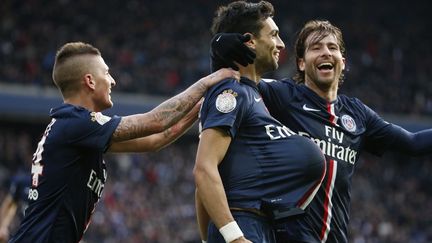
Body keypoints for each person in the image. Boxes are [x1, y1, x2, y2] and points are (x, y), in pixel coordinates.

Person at [211, 20, 432, 242]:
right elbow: (238, 78)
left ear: (343, 62)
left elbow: (414, 143)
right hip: (289, 235)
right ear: (301, 63)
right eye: (316, 48)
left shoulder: (358, 114)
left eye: (332, 47)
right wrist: (220, 45)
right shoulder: (283, 96)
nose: (325, 53)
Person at [8, 42, 239, 243]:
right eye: (106, 73)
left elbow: (156, 140)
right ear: (89, 81)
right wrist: (208, 82)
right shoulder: (75, 123)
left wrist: (201, 107)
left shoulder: (76, 130)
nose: (113, 80)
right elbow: (157, 121)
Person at [194, 2, 326, 243]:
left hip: (256, 227)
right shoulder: (232, 92)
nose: (281, 44)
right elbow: (204, 169)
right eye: (274, 35)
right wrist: (234, 238)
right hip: (245, 226)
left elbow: (207, 185)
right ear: (250, 41)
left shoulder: (252, 96)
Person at [0, 172, 30, 243]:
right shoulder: (22, 181)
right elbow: (9, 204)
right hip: (20, 229)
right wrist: (3, 226)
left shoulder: (49, 183)